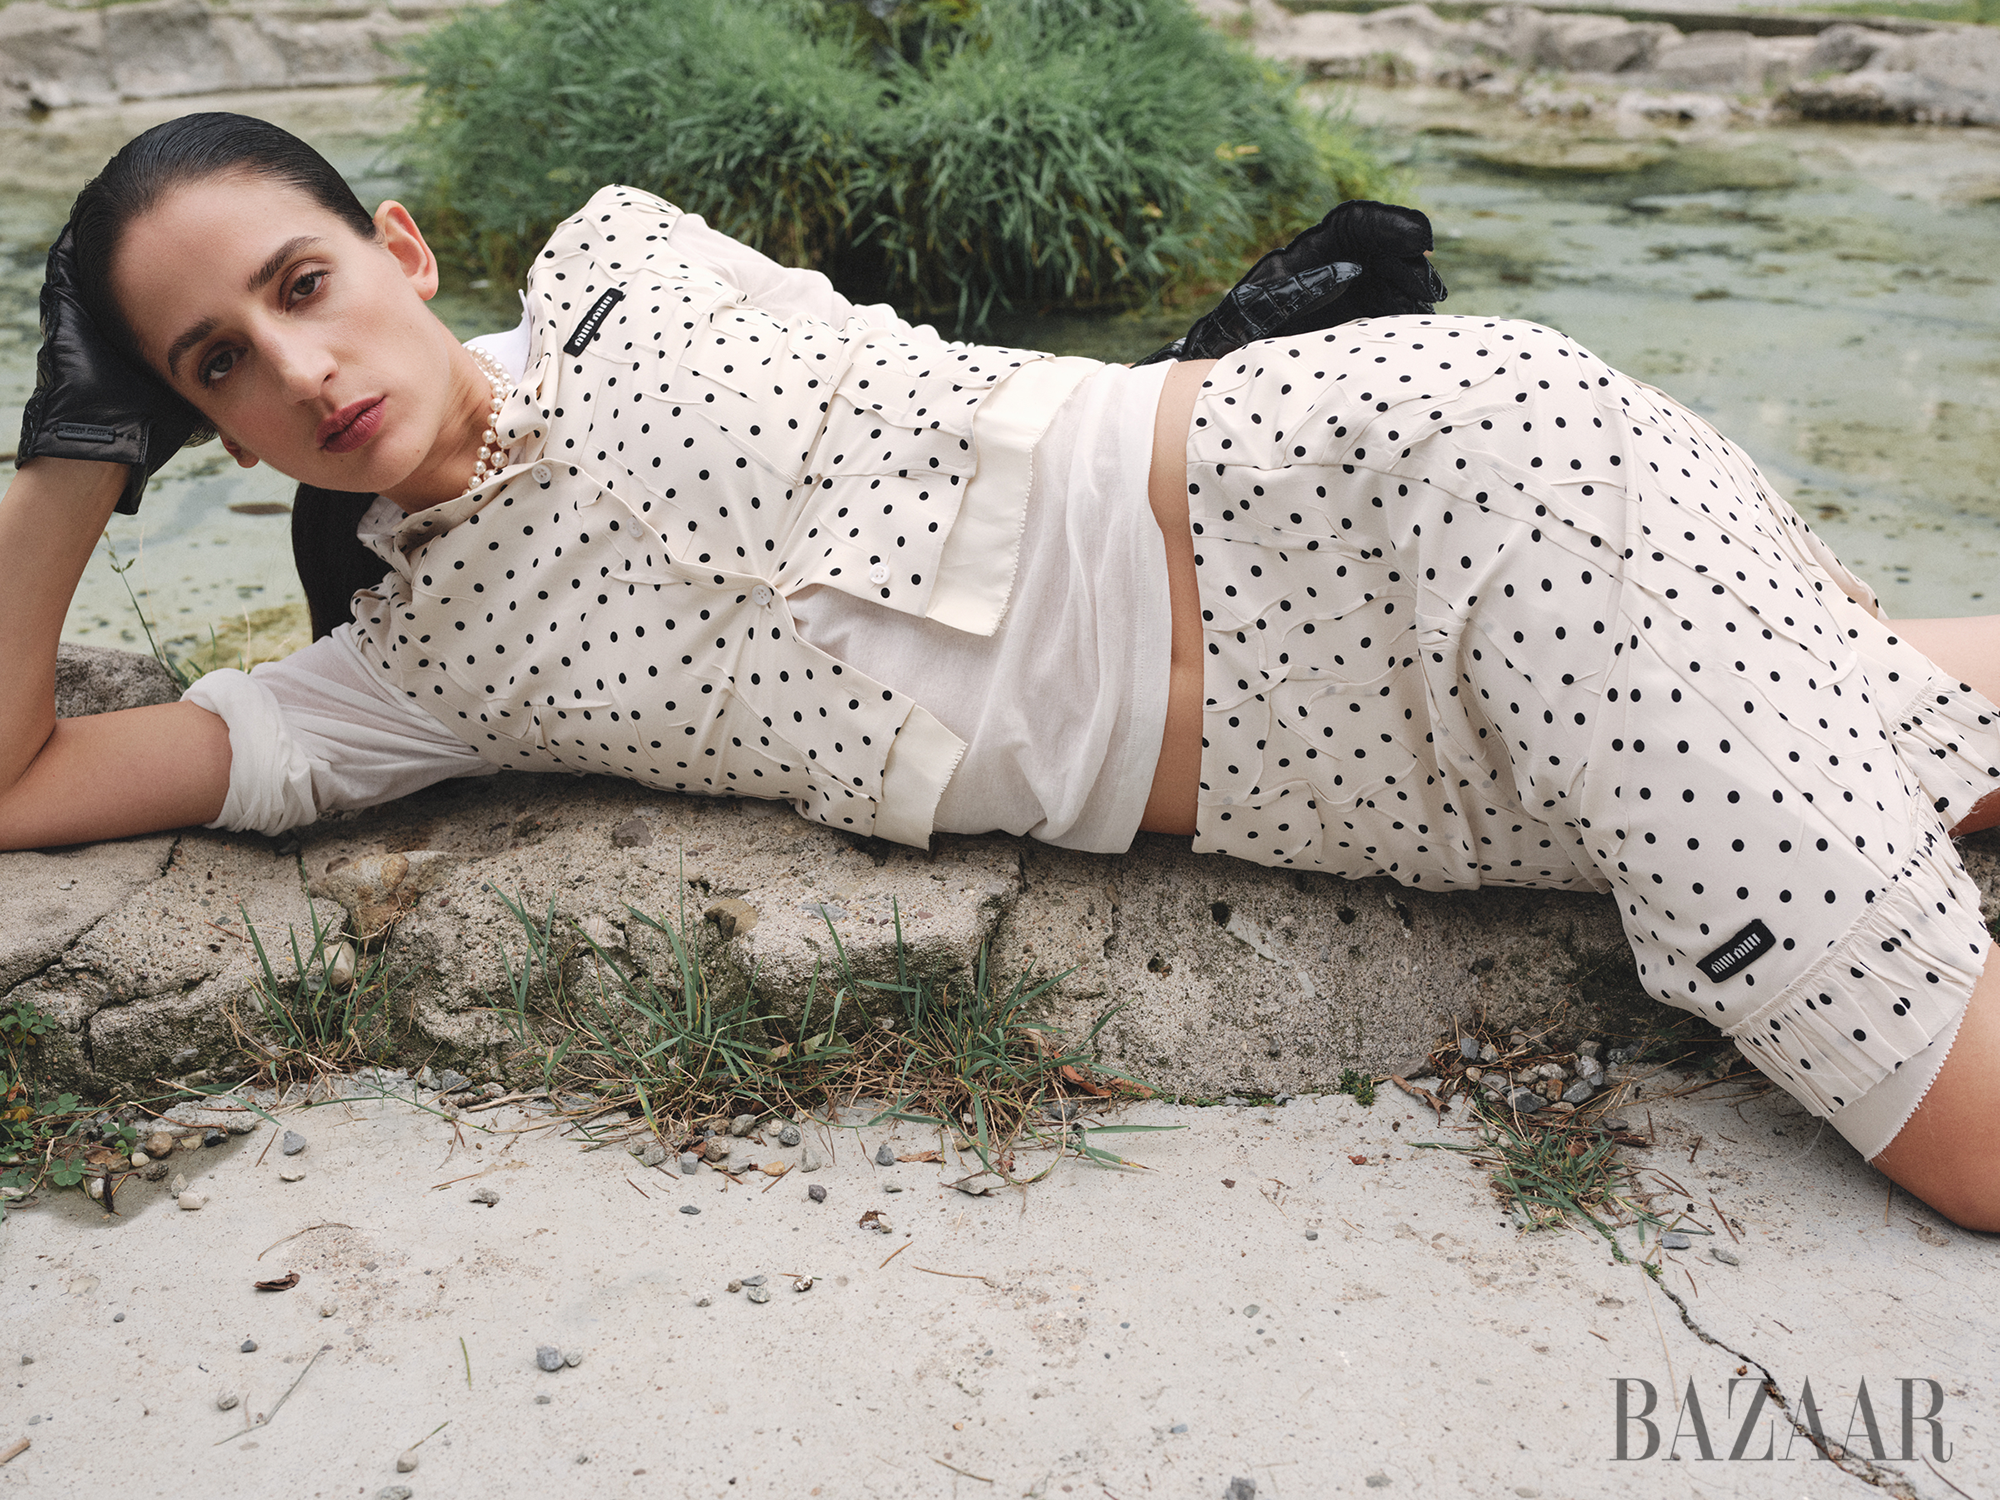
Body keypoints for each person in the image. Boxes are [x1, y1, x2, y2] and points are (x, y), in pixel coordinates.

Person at [0, 114, 1992, 1230]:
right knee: (1898, 726)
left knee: (1954, 1140)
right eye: (211, 375)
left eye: (299, 285)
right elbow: (16, 780)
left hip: (1436, 476)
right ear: (202, 440)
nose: (296, 371)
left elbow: (967, 427)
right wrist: (68, 456)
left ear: (406, 251)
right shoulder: (400, 682)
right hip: (1397, 782)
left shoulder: (630, 261)